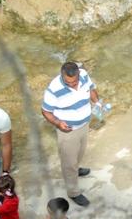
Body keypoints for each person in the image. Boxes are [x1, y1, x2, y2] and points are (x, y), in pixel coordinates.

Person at [42, 61, 102, 207]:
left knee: (80, 152)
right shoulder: (54, 88)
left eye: (75, 81)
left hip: (84, 124)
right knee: (69, 162)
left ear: (78, 74)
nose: (73, 85)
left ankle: (76, 169)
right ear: (62, 76)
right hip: (67, 130)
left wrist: (97, 103)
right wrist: (57, 123)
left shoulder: (84, 75)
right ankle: (73, 192)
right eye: (69, 83)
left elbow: (92, 89)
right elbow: (46, 111)